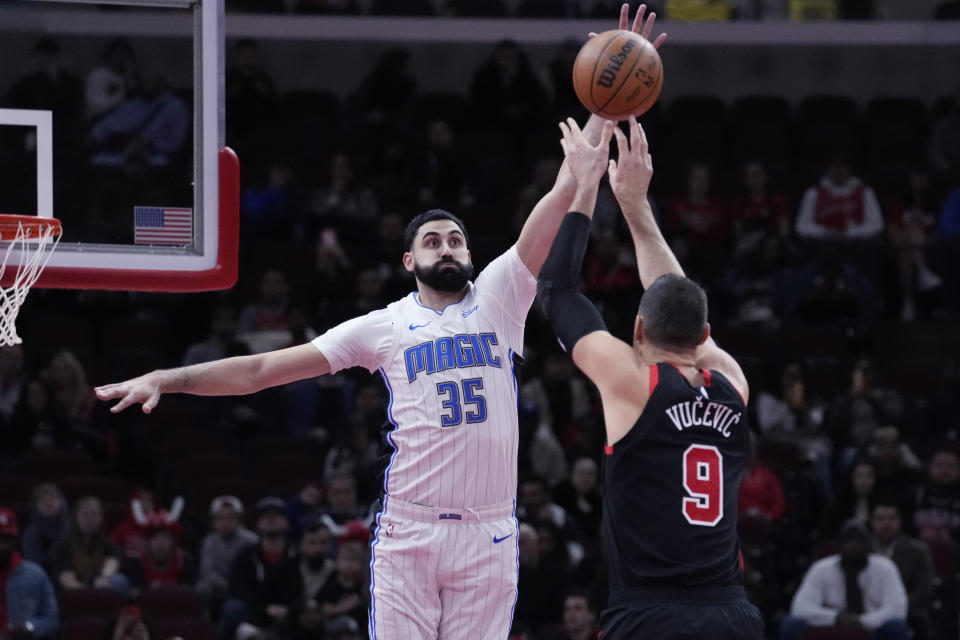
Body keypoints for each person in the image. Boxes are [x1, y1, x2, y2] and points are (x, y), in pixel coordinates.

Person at [94, 7, 665, 637]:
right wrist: (168, 378)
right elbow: (260, 369)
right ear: (408, 259)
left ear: (471, 255)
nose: (447, 249)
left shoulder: (502, 294)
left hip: (489, 530)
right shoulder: (383, 326)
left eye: (455, 241)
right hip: (410, 531)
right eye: (433, 243)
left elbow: (565, 187)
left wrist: (608, 98)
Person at [535, 115, 763, 639]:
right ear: (705, 333)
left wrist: (586, 187)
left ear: (638, 328)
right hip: (732, 615)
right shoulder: (732, 383)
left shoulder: (633, 384)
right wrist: (637, 206)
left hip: (650, 614)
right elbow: (675, 294)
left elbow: (557, 290)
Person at [780, 521, 908, 640]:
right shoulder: (821, 568)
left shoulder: (885, 568)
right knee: (791, 624)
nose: (853, 545)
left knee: (896, 626)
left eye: (859, 541)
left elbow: (897, 608)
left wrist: (862, 621)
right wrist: (835, 617)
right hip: (831, 624)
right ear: (839, 544)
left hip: (873, 626)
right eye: (848, 541)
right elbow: (800, 607)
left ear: (868, 544)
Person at [870, 500, 934, 639]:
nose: (886, 524)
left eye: (891, 518)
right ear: (872, 521)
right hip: (866, 611)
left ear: (900, 521)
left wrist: (893, 608)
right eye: (880, 519)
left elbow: (924, 590)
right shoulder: (862, 549)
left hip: (905, 612)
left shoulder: (917, 551)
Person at [0, 508, 59, 639]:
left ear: (15, 540)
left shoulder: (35, 574)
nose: (1, 545)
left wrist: (28, 627)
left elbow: (52, 619)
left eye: (5, 539)